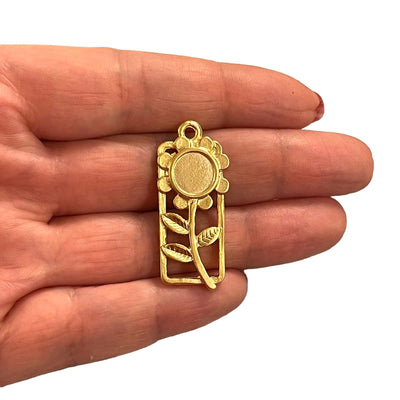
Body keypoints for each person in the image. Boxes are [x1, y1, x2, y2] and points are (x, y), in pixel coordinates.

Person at [0, 45, 373, 386]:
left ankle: (203, 271)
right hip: (185, 184)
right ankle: (201, 271)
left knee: (203, 239)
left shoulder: (199, 162)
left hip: (196, 183)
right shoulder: (180, 160)